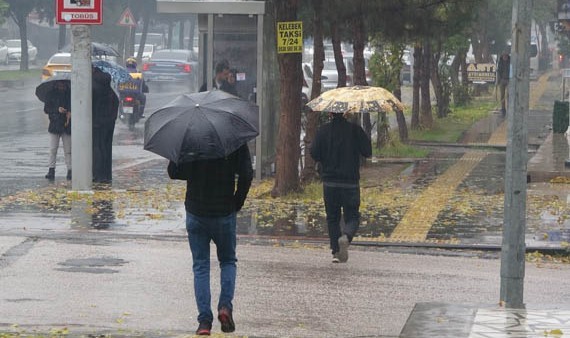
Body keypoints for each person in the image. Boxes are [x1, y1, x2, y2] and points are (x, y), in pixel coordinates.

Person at [167, 144, 253, 336]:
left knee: (201, 266)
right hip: (223, 211)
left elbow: (173, 172)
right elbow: (247, 174)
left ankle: (204, 322)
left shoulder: (192, 137)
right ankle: (225, 307)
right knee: (228, 261)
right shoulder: (233, 138)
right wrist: (236, 202)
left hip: (196, 211)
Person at [310, 112, 372, 263]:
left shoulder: (323, 131)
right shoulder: (355, 130)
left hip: (330, 183)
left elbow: (314, 153)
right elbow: (367, 152)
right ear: (346, 113)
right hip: (350, 182)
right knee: (353, 216)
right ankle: (347, 236)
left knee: (332, 218)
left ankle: (336, 252)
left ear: (330, 113)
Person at [92, 66, 119, 184]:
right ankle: (107, 175)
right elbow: (116, 105)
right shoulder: (110, 91)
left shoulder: (93, 88)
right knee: (106, 148)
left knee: (97, 147)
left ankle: (98, 174)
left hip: (97, 123)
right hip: (109, 124)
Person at [43, 80, 72, 181]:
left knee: (68, 150)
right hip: (55, 124)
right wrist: (57, 109)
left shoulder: (70, 93)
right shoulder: (50, 94)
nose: (61, 86)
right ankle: (51, 170)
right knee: (53, 149)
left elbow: (75, 105)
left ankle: (70, 170)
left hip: (67, 125)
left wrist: (70, 112)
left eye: (63, 84)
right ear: (56, 84)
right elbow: (46, 109)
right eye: (60, 84)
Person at [497, 50, 510, 116]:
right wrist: (498, 80)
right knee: (502, 96)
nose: (505, 57)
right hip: (502, 80)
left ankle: (509, 109)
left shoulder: (510, 62)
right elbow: (498, 71)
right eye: (504, 56)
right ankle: (503, 110)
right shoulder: (500, 62)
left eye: (506, 56)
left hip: (509, 80)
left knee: (509, 95)